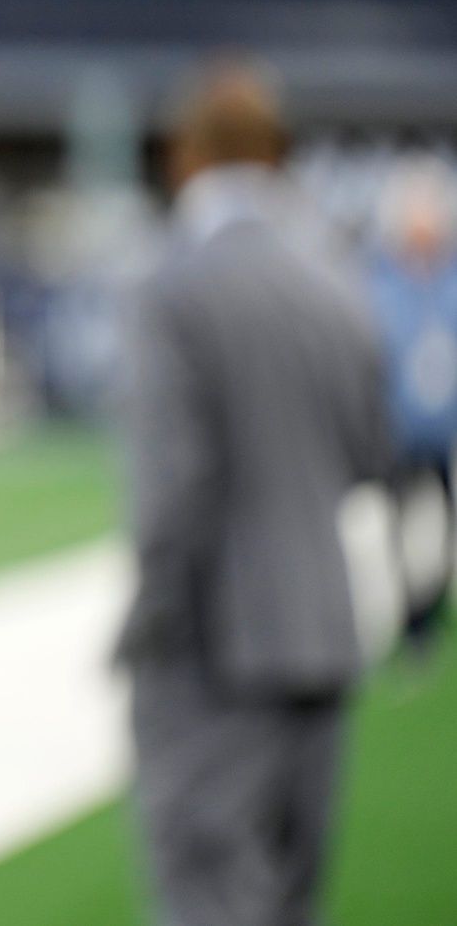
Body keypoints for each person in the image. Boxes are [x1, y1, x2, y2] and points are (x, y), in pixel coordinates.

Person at [117, 64, 390, 926]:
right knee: (290, 897)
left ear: (184, 156)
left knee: (210, 894)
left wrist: (146, 626)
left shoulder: (173, 285)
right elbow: (371, 457)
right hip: (322, 629)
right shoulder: (336, 282)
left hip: (212, 642)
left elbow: (172, 490)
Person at [368, 157, 457, 654]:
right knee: (401, 528)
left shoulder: (450, 282)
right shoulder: (382, 283)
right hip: (399, 431)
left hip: (442, 431)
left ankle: (434, 603)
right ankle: (410, 615)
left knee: (444, 528)